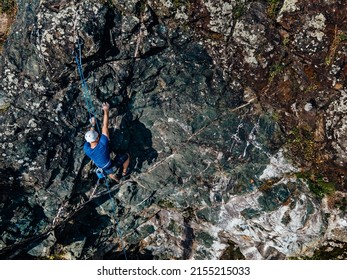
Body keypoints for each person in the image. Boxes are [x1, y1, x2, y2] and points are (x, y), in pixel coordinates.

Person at [84, 102, 130, 182]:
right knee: (126, 156)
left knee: (109, 172)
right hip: (110, 167)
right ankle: (124, 173)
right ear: (98, 138)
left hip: (101, 167)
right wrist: (106, 110)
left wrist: (93, 125)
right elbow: (105, 126)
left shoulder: (86, 148)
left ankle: (115, 178)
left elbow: (91, 138)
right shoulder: (102, 144)